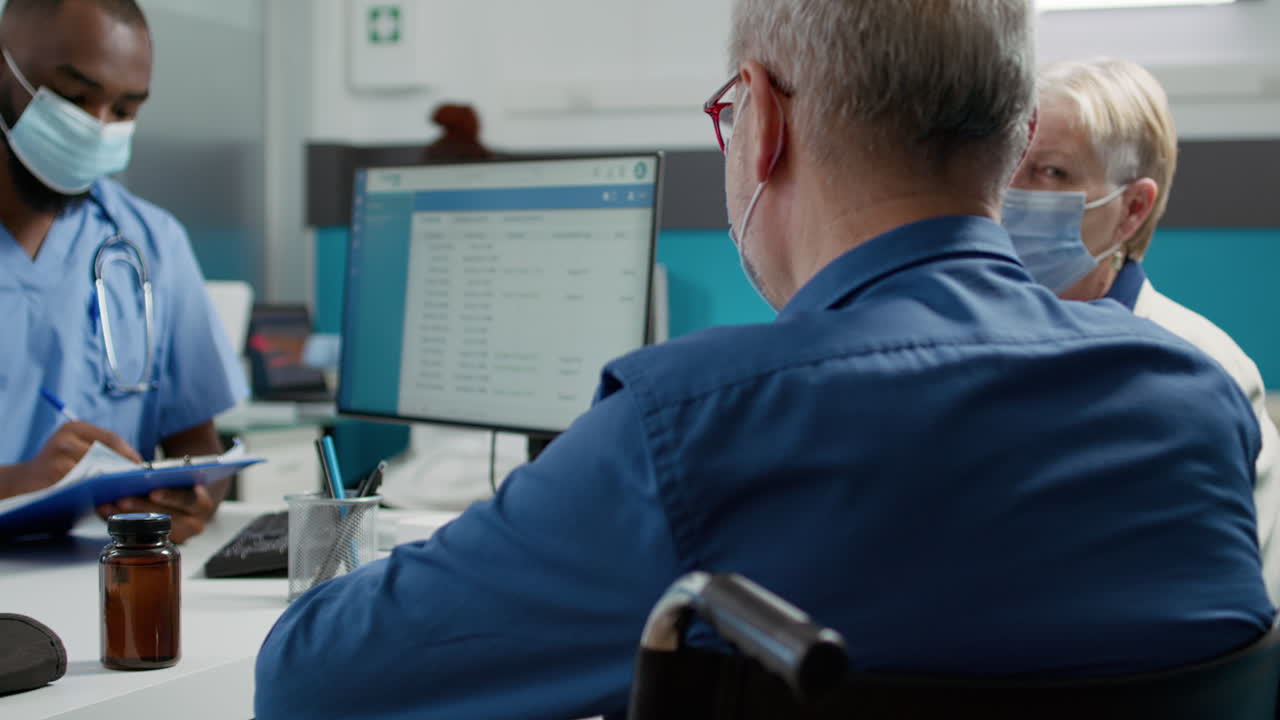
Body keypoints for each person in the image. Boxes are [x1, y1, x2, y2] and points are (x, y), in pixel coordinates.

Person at [255, 2, 1272, 718]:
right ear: (1012, 146)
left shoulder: (687, 431)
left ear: (761, 117)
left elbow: (308, 683)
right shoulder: (1197, 403)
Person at [1003, 56, 1280, 601]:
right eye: (1009, 161)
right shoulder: (964, 341)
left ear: (1131, 209)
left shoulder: (1209, 368)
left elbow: (1260, 597)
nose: (1013, 190)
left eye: (1051, 172)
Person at [0, 0, 247, 543]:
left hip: (100, 585)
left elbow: (198, 448)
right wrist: (20, 483)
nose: (98, 126)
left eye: (125, 110)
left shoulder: (152, 242)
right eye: (74, 98)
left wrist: (190, 500)